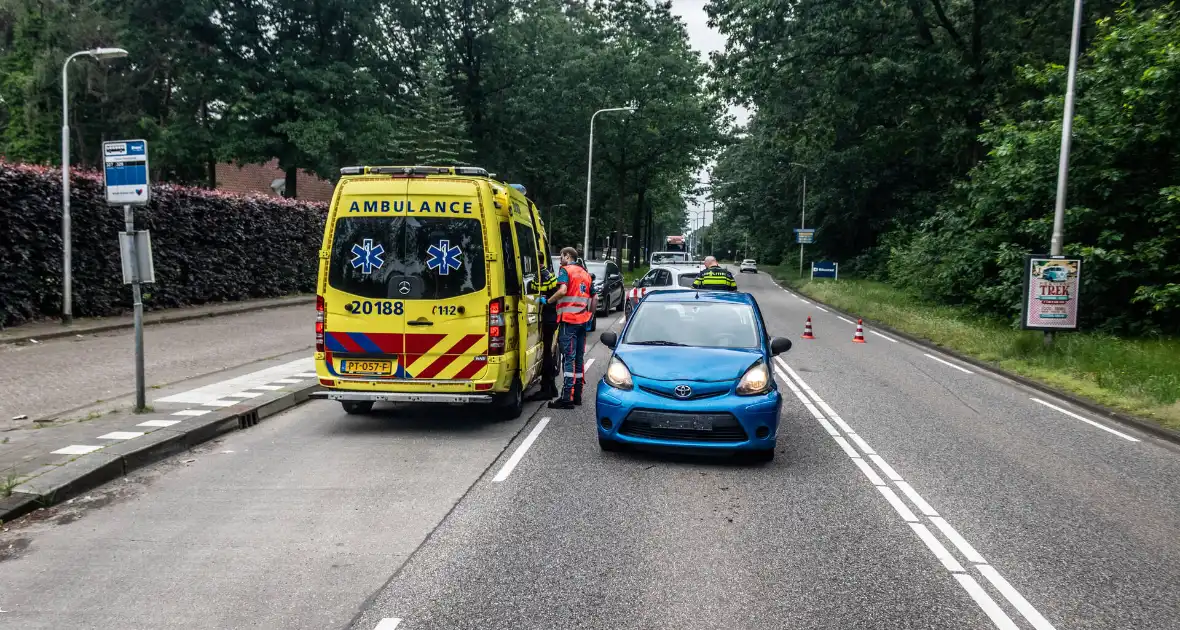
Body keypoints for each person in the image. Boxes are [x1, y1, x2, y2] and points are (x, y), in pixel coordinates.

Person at [548, 247, 593, 409]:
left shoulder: (565, 271)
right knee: (579, 358)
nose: (560, 259)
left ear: (568, 256)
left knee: (568, 358)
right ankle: (578, 395)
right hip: (582, 322)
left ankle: (566, 397)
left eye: (561, 256)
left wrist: (548, 301)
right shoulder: (585, 274)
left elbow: (563, 291)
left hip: (568, 321)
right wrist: (589, 316)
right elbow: (593, 298)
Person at [527, 265, 560, 401]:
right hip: (552, 317)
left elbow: (533, 294)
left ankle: (547, 388)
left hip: (546, 317)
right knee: (548, 353)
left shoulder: (539, 277)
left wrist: (543, 301)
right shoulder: (550, 276)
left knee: (546, 353)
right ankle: (551, 387)